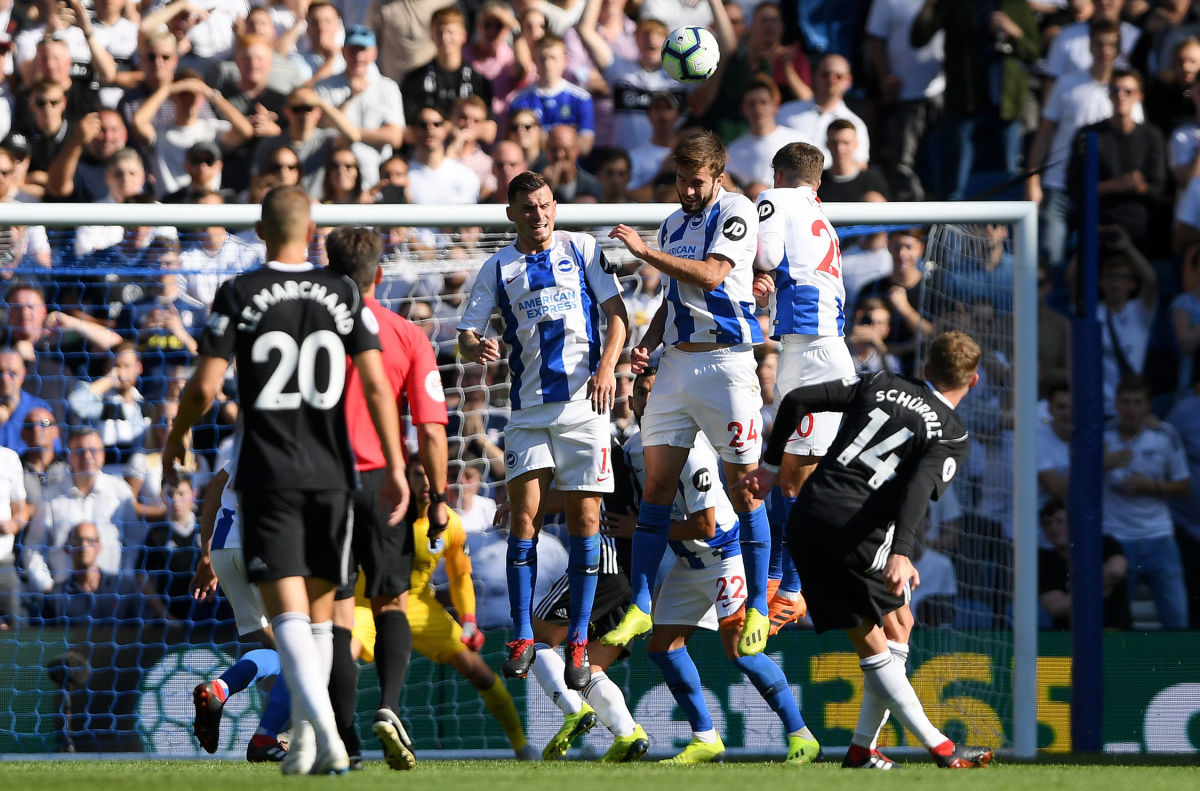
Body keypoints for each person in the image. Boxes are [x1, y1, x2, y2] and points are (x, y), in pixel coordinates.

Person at [163, 185, 410, 776]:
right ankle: (306, 744)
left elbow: (203, 387)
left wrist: (176, 437)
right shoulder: (343, 291)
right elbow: (376, 385)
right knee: (322, 617)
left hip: (268, 475)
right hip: (334, 474)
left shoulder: (240, 292)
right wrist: (397, 466)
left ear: (260, 228)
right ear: (312, 228)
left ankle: (320, 734)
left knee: (289, 620)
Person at [738, 330, 994, 769]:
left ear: (926, 368)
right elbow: (916, 489)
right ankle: (942, 747)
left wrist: (768, 468)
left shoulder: (881, 382)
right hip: (857, 529)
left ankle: (860, 749)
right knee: (876, 638)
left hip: (808, 517)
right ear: (971, 384)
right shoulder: (952, 434)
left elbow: (797, 399)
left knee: (898, 623)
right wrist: (902, 551)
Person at [457, 170, 628, 689]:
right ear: (512, 214)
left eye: (547, 204)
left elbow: (618, 316)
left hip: (585, 408)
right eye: (529, 208)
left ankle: (578, 640)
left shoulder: (582, 248)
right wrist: (474, 346)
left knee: (585, 519)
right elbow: (467, 331)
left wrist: (606, 370)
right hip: (529, 412)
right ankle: (523, 635)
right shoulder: (498, 266)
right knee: (523, 519)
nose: (540, 215)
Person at [602, 132, 771, 658]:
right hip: (676, 363)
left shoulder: (737, 210)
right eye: (680, 179)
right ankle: (641, 607)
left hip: (726, 365)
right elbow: (676, 296)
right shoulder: (674, 223)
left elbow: (714, 277)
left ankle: (761, 606)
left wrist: (646, 253)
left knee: (744, 488)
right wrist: (647, 346)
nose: (687, 190)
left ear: (718, 175)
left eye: (696, 181)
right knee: (656, 486)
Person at [623, 367, 820, 764]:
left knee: (742, 652)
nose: (647, 400)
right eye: (642, 393)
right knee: (661, 647)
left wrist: (638, 529)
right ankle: (705, 738)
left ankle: (802, 735)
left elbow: (705, 524)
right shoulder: (631, 448)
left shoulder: (692, 449)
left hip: (723, 557)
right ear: (632, 402)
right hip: (686, 561)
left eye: (654, 392)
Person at [323, 225, 450, 772]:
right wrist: (438, 497)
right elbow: (432, 429)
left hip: (319, 482)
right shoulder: (407, 335)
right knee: (390, 601)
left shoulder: (311, 332)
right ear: (379, 273)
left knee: (335, 616)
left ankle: (344, 739)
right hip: (383, 481)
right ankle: (389, 707)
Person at [349, 454, 537, 761]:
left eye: (430, 476)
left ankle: (521, 746)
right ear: (403, 478)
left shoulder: (450, 522)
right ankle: (309, 730)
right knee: (344, 654)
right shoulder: (380, 511)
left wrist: (469, 620)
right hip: (367, 603)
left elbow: (460, 575)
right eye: (416, 475)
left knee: (479, 671)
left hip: (420, 607)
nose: (424, 483)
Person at [752, 141, 856, 638]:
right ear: (818, 182)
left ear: (779, 175)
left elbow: (767, 253)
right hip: (807, 350)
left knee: (798, 479)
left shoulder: (776, 199)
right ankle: (777, 578)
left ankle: (793, 589)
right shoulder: (820, 215)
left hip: (815, 357)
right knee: (786, 475)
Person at [189, 464, 298, 762]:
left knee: (283, 649)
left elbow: (215, 487)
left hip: (226, 550)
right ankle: (267, 737)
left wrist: (207, 554)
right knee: (304, 650)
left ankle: (220, 689)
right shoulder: (303, 434)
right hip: (266, 548)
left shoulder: (253, 432)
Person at [1102, 374, 1191, 629]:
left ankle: (1179, 668)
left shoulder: (1164, 435)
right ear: (1116, 404)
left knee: (1177, 619)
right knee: (1115, 621)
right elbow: (1075, 479)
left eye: (1137, 402)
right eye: (1126, 402)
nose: (1131, 409)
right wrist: (1101, 464)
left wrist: (1151, 486)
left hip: (1159, 537)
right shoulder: (1101, 436)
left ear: (1148, 405)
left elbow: (1184, 486)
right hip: (1116, 538)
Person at [1038, 498, 1131, 630]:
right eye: (1047, 524)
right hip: (1066, 637)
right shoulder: (1046, 560)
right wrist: (1102, 590)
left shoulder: (1104, 544)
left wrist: (1074, 595)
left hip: (1117, 632)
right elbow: (1055, 607)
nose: (1053, 528)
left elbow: (1117, 570)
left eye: (1060, 521)